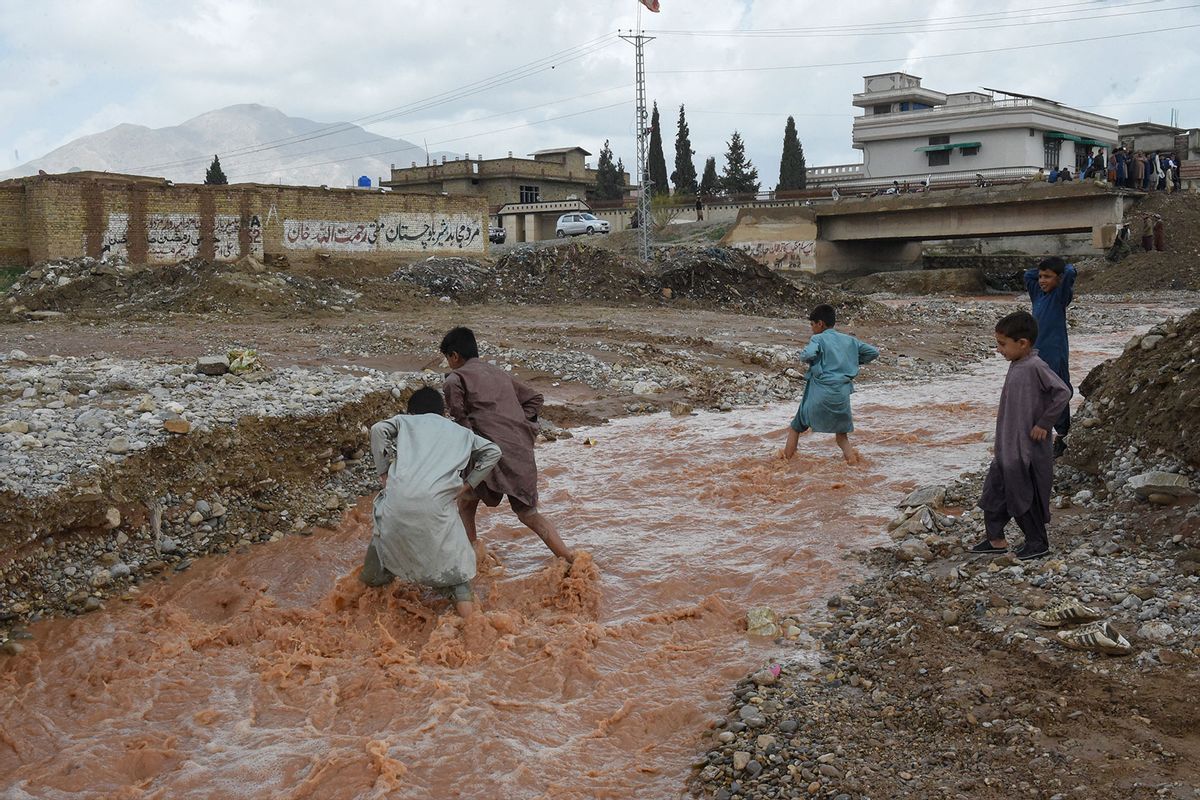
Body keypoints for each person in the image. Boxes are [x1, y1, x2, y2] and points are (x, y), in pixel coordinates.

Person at [363, 387, 502, 618]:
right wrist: (469, 484)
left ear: (412, 411)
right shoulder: (461, 432)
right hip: (438, 504)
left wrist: (384, 471)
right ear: (442, 412)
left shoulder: (405, 422)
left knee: (382, 543)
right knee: (456, 569)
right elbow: (493, 451)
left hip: (397, 500)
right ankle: (471, 628)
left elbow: (378, 429)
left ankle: (362, 608)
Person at [440, 326, 575, 562]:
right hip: (521, 451)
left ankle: (473, 557)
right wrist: (521, 426)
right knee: (528, 513)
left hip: (488, 452)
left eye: (447, 358)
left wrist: (472, 449)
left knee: (466, 502)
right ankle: (571, 560)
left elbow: (461, 423)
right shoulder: (498, 373)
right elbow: (535, 399)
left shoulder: (455, 379)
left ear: (454, 356)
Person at [972, 312, 1070, 560]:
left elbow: (1063, 392)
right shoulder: (1018, 364)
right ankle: (995, 539)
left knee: (1023, 494)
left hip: (1025, 448)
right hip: (1007, 445)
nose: (998, 350)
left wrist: (1045, 423)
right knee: (994, 491)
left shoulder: (1036, 366)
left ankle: (1037, 542)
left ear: (1023, 343)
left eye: (1003, 344)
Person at [782, 304, 879, 465]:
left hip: (819, 392)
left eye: (812, 325)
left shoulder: (818, 338)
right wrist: (852, 360)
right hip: (841, 394)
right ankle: (854, 464)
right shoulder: (850, 340)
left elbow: (808, 354)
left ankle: (785, 464)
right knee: (842, 436)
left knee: (796, 427)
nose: (812, 329)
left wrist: (811, 358)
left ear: (820, 323)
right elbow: (873, 352)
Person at [1024, 255, 1076, 457]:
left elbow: (1071, 272)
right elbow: (1028, 276)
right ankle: (1040, 435)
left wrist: (1062, 269)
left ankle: (1063, 435)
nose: (1042, 280)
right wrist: (1041, 269)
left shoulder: (1060, 296)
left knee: (1059, 391)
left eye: (1048, 277)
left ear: (1059, 279)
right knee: (1038, 395)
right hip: (1036, 355)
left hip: (1056, 353)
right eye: (1041, 276)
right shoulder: (1037, 294)